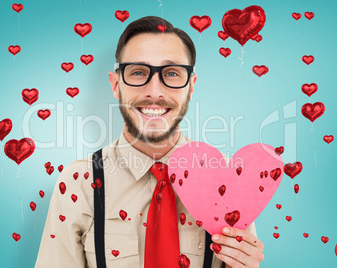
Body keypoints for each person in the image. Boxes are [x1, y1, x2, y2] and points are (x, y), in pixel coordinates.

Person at [35, 16, 264, 268]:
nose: (154, 91)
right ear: (115, 84)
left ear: (191, 86)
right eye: (138, 72)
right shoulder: (80, 182)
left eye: (172, 73)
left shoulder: (224, 180)